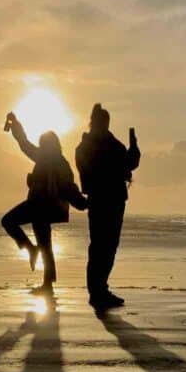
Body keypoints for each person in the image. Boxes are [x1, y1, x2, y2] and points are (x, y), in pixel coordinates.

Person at [1, 112, 87, 295]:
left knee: (10, 222)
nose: (41, 147)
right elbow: (24, 144)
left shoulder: (58, 163)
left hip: (45, 206)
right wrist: (15, 124)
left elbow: (68, 186)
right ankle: (42, 272)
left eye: (43, 144)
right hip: (39, 205)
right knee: (44, 243)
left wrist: (82, 202)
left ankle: (42, 271)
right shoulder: (43, 157)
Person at [75, 103, 141, 310]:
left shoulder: (83, 147)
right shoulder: (110, 144)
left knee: (98, 246)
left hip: (98, 199)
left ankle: (97, 290)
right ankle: (99, 291)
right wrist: (134, 147)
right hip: (110, 199)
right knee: (107, 246)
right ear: (104, 123)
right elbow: (130, 163)